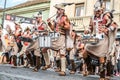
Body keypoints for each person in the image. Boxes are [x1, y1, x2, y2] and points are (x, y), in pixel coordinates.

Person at [46, 3, 70, 76]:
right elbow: (53, 28)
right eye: (57, 9)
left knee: (62, 53)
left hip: (61, 36)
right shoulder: (56, 18)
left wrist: (62, 26)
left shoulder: (64, 17)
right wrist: (49, 23)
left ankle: (63, 70)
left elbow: (68, 26)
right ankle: (48, 64)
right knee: (44, 47)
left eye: (59, 9)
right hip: (55, 36)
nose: (57, 11)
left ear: (62, 10)